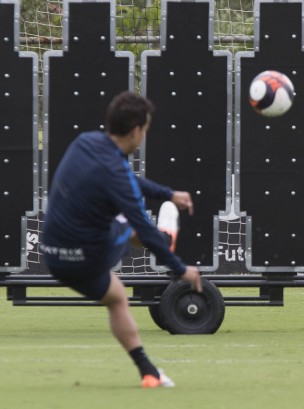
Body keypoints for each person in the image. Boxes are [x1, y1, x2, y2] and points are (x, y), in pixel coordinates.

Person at [41, 91, 203, 388]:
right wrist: (181, 270)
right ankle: (169, 237)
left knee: (116, 296)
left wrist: (167, 194)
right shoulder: (116, 175)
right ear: (136, 130)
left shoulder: (85, 143)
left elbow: (129, 180)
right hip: (88, 257)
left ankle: (149, 373)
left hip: (51, 255)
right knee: (136, 229)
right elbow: (137, 211)